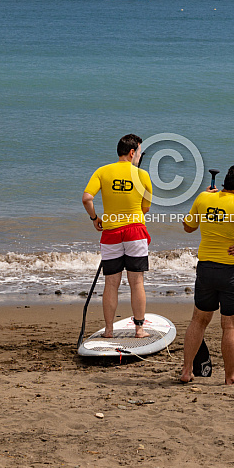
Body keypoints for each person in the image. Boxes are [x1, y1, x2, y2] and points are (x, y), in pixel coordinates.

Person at [179, 165, 234, 385]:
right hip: (232, 272)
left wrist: (205, 202)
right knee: (230, 326)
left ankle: (186, 371)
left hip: (206, 270)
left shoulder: (203, 198)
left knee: (198, 321)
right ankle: (230, 377)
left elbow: (188, 227)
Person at [82, 134, 153, 339]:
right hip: (135, 232)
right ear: (132, 152)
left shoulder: (102, 171)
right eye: (139, 152)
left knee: (111, 284)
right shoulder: (143, 176)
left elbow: (87, 198)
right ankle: (139, 329)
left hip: (111, 233)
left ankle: (109, 330)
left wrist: (95, 218)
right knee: (136, 282)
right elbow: (145, 209)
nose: (139, 156)